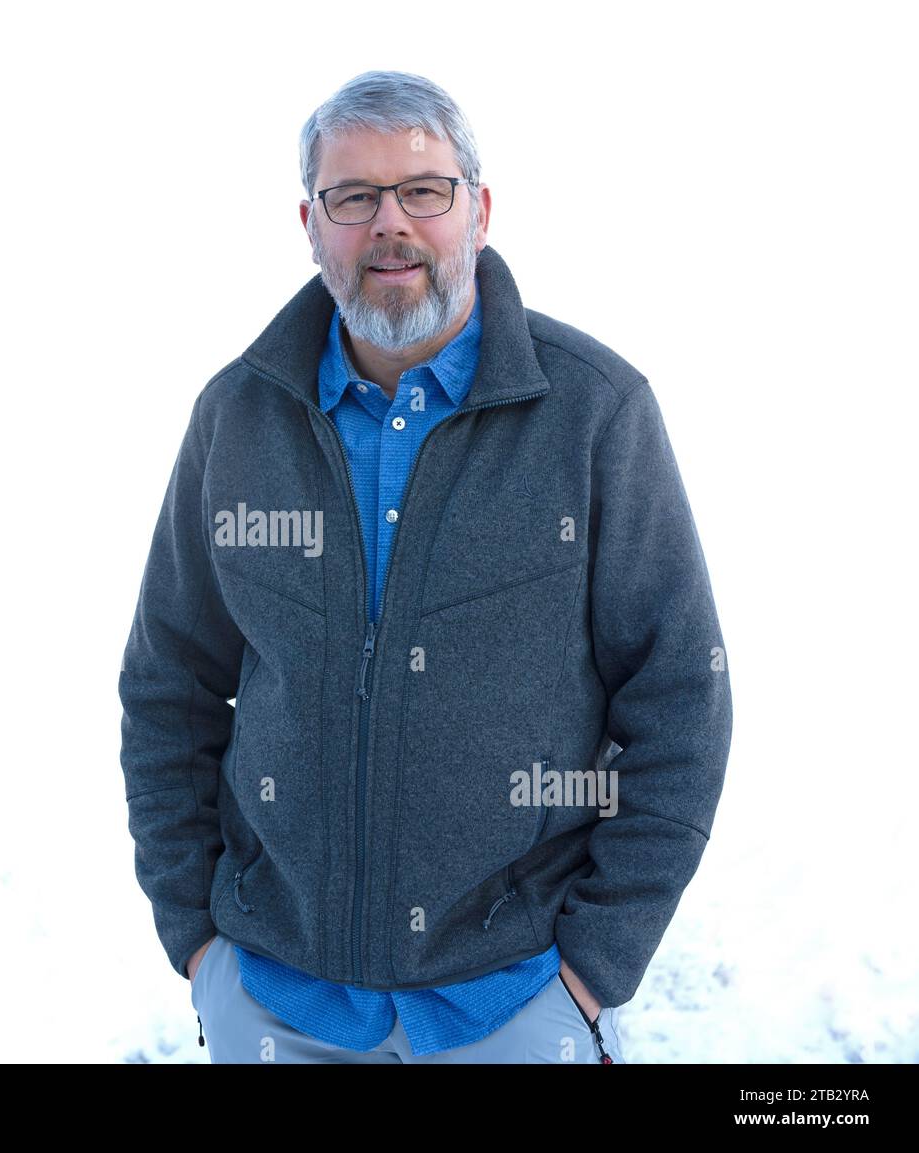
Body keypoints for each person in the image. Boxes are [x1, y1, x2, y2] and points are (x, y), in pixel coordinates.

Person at [118, 69, 733, 1063]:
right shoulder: (237, 419)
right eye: (352, 197)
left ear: (478, 211)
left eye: (423, 190)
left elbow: (678, 701)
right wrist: (197, 941)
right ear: (311, 225)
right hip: (276, 1000)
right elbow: (169, 684)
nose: (388, 224)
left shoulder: (593, 413)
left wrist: (592, 966)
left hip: (514, 1001)